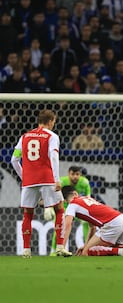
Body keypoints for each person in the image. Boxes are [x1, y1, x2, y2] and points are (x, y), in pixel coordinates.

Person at [10, 109, 71, 258]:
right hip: (47, 178)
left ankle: (26, 250)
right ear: (50, 121)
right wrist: (57, 179)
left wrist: (24, 176)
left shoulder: (24, 136)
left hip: (29, 181)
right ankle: (60, 247)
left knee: (28, 214)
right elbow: (54, 157)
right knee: (59, 209)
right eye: (54, 122)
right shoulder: (52, 136)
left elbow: (14, 160)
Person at [60, 185, 123, 257]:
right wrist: (86, 245)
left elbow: (67, 225)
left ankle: (122, 252)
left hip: (111, 223)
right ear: (75, 193)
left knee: (87, 252)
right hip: (120, 217)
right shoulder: (87, 198)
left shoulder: (72, 205)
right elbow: (92, 227)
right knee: (116, 248)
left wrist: (62, 247)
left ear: (64, 200)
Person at [44, 165, 92, 256]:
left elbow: (88, 198)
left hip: (79, 207)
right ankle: (54, 251)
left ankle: (88, 248)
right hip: (64, 207)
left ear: (80, 175)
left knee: (87, 222)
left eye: (77, 174)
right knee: (60, 225)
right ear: (68, 174)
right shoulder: (62, 182)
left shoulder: (85, 183)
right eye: (72, 174)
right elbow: (52, 195)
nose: (75, 176)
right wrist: (49, 207)